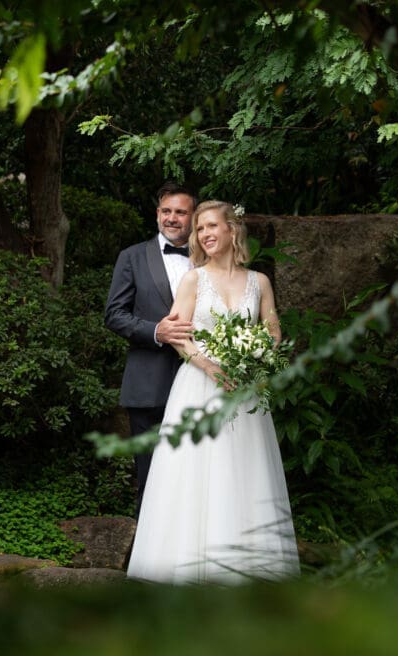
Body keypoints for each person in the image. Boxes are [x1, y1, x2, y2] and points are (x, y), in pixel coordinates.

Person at [126, 200, 300, 584]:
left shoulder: (260, 282)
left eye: (211, 226)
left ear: (231, 230)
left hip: (244, 391)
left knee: (244, 470)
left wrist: (255, 359)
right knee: (195, 472)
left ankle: (247, 569)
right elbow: (178, 334)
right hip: (199, 387)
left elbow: (272, 331)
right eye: (199, 229)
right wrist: (207, 365)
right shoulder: (193, 280)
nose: (204, 234)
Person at [104, 181, 199, 514]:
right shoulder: (132, 257)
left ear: (193, 217)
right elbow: (114, 315)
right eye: (166, 211)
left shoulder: (208, 259)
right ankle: (148, 560)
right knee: (151, 475)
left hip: (202, 382)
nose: (172, 218)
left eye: (180, 212)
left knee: (198, 474)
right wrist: (155, 331)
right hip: (148, 384)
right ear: (158, 213)